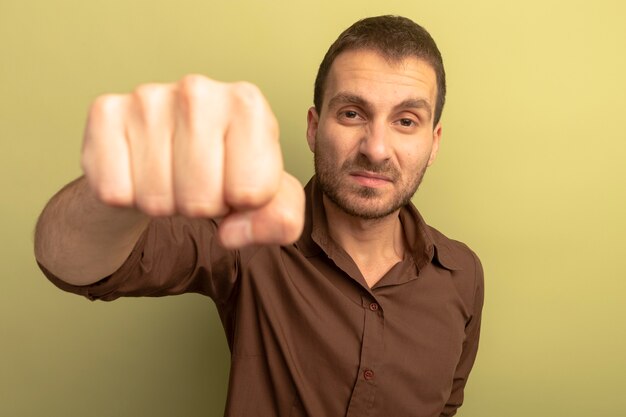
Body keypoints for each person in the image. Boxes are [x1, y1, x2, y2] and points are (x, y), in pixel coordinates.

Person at [35, 15, 484, 417]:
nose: (376, 148)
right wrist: (124, 184)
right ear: (314, 126)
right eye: (351, 113)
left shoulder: (463, 275)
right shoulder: (246, 235)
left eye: (406, 120)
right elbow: (70, 261)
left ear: (434, 141)